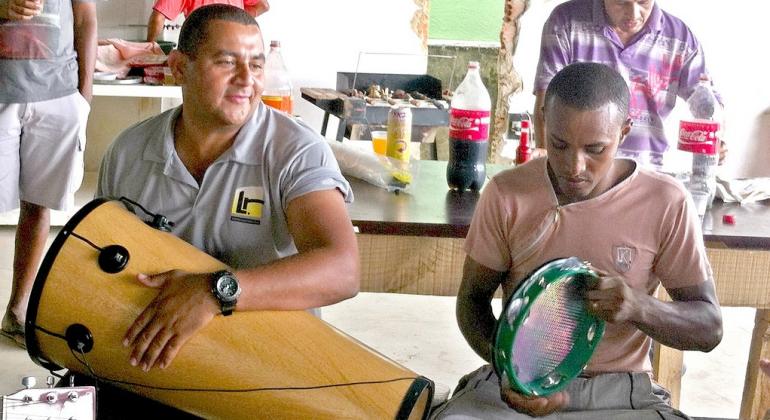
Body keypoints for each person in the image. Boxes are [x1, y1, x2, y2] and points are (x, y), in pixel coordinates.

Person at [73, 4, 358, 416]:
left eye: (256, 65)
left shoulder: (294, 151)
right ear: (178, 67)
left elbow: (343, 270)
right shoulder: (130, 151)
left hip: (265, 365)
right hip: (155, 357)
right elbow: (102, 266)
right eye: (227, 62)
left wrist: (215, 292)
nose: (247, 80)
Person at [431, 62, 722, 419]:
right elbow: (472, 301)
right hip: (514, 387)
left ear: (625, 131)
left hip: (621, 393)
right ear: (542, 121)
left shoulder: (664, 201)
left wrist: (637, 307)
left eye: (595, 149)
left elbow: (708, 328)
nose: (574, 166)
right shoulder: (506, 194)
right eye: (559, 144)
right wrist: (513, 373)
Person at [0, 0, 96, 347]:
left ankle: (17, 311)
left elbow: (85, 17)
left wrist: (84, 95)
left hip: (59, 94)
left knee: (38, 204)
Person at [532, 0, 725, 170]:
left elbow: (706, 102)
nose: (633, 14)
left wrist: (716, 138)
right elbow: (547, 103)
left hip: (647, 172)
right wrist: (548, 171)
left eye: (643, 2)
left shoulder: (679, 39)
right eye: (621, 2)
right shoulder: (566, 23)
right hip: (579, 171)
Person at [146, 0, 269, 42]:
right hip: (236, 44)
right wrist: (236, 19)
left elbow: (158, 17)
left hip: (201, 45)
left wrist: (151, 48)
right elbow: (263, 6)